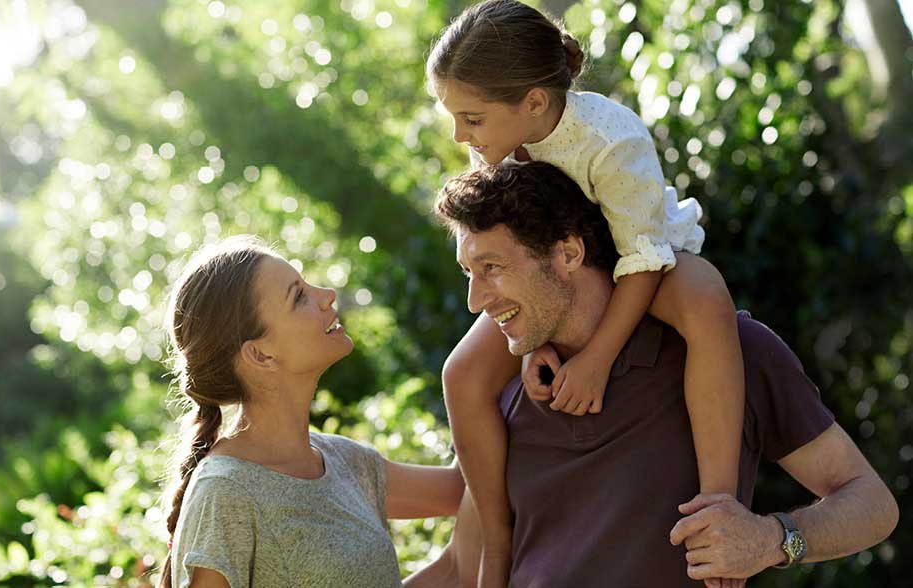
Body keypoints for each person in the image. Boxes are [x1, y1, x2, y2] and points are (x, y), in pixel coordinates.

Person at [410, 161, 899, 587]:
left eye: (491, 267)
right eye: (468, 274)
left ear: (568, 253)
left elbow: (872, 504)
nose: (475, 300)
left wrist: (773, 539)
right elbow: (463, 566)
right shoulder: (506, 392)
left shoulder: (731, 353)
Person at [426, 2, 745, 584]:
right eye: (453, 117)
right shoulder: (497, 141)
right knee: (462, 374)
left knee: (705, 298)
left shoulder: (610, 139)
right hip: (560, 270)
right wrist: (530, 342)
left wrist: (595, 359)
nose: (459, 135)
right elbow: (518, 259)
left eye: (471, 118)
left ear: (535, 103)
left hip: (637, 254)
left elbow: (643, 260)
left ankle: (717, 510)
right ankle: (497, 541)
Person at [156, 236, 464, 588]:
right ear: (260, 355)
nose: (327, 294)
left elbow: (465, 490)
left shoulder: (345, 462)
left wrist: (523, 338)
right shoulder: (225, 492)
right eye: (299, 296)